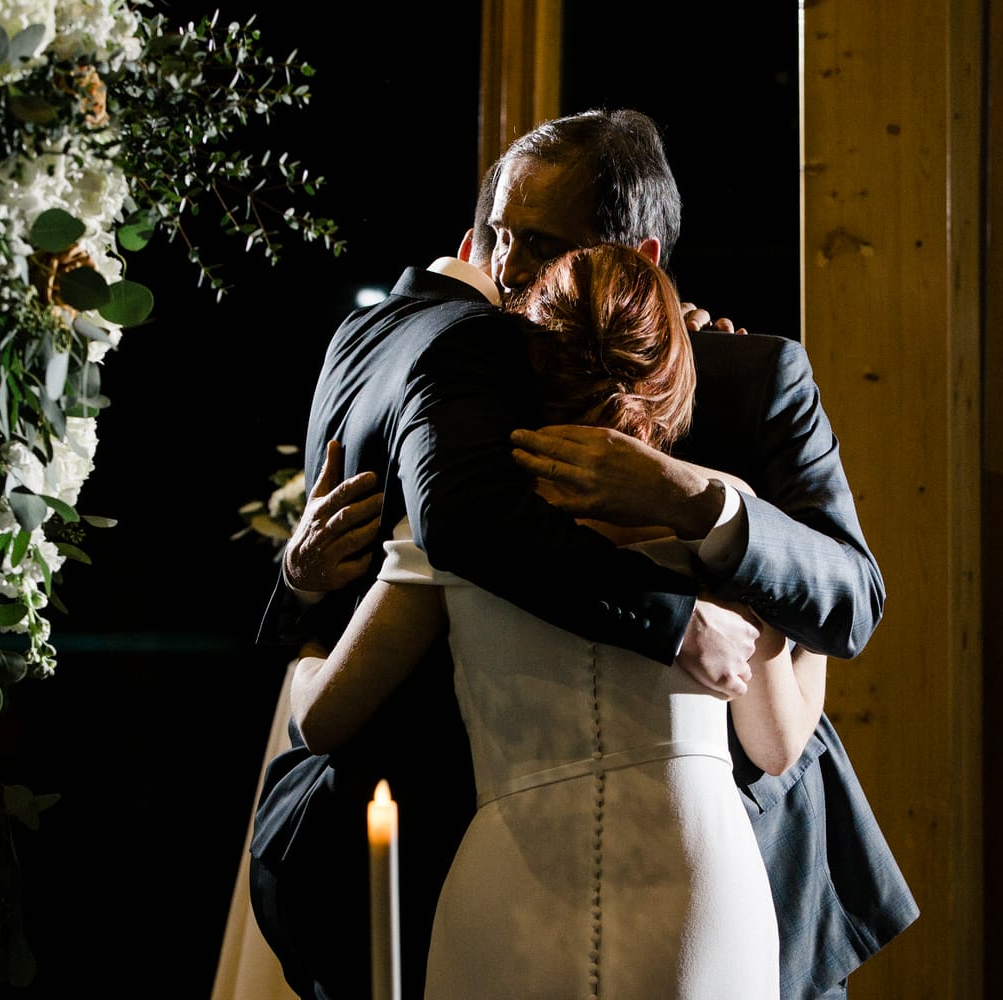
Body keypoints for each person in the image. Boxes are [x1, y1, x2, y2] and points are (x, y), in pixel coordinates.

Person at [253, 108, 914, 1000]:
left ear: (638, 259)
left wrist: (703, 504)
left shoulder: (746, 383)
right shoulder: (461, 392)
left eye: (541, 245)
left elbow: (851, 596)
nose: (507, 269)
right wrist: (299, 577)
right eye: (497, 236)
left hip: (714, 863)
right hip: (462, 841)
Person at [290, 243, 826, 998]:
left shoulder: (464, 522)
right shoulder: (718, 510)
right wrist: (807, 617)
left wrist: (304, 646)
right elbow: (777, 743)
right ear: (673, 369)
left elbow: (320, 719)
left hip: (509, 884)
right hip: (698, 889)